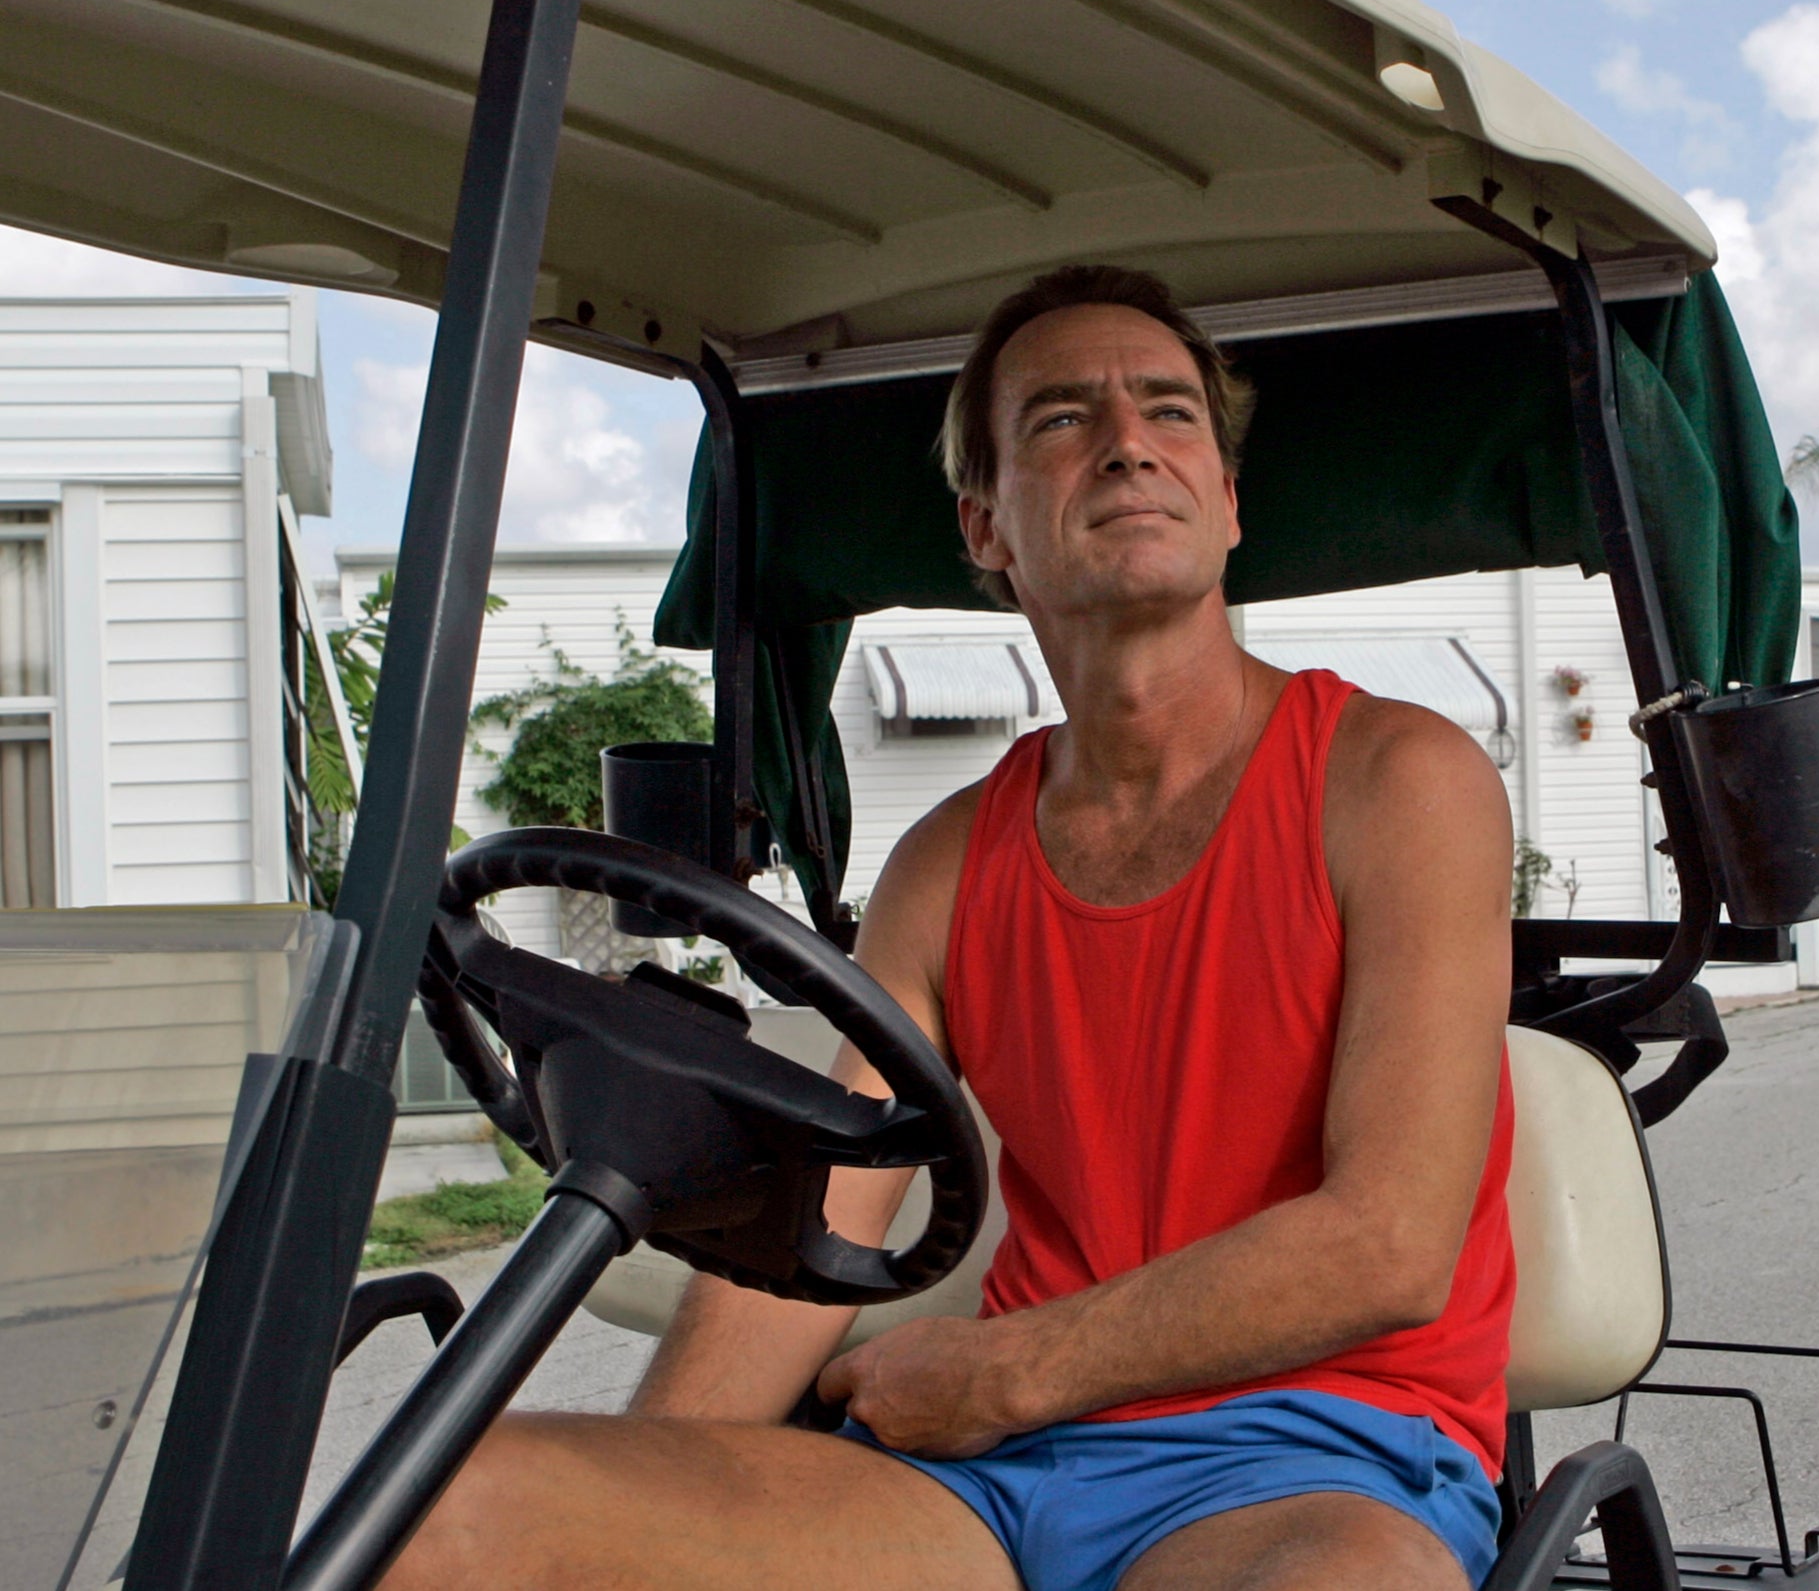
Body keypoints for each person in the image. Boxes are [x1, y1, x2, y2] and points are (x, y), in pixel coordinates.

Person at [391, 266, 1518, 1591]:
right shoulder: (947, 863)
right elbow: (823, 1210)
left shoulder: (1396, 778)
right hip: (993, 1480)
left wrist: (1009, 1367)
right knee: (446, 1505)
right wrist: (661, 1505)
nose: (1125, 442)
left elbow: (1385, 1244)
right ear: (985, 527)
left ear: (1224, 499)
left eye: (1169, 414)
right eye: (1059, 418)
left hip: (1312, 1462)